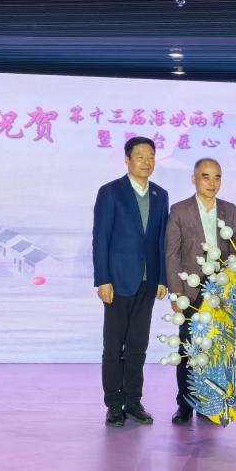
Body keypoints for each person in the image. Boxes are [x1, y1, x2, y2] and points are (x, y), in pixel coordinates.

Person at [92, 136, 168, 427]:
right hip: (118, 281)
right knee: (114, 346)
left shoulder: (160, 195)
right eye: (140, 157)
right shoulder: (111, 192)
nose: (146, 162)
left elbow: (160, 240)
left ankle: (133, 401)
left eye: (151, 157)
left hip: (148, 282)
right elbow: (101, 238)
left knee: (138, 345)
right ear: (127, 159)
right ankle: (113, 404)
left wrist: (162, 278)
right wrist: (103, 279)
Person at [165, 158, 236, 424]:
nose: (212, 183)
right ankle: (185, 405)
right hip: (189, 291)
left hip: (220, 292)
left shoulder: (229, 209)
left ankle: (210, 403)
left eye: (217, 177)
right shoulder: (179, 210)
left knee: (216, 349)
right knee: (188, 348)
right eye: (206, 177)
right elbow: (172, 253)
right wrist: (176, 292)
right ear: (194, 179)